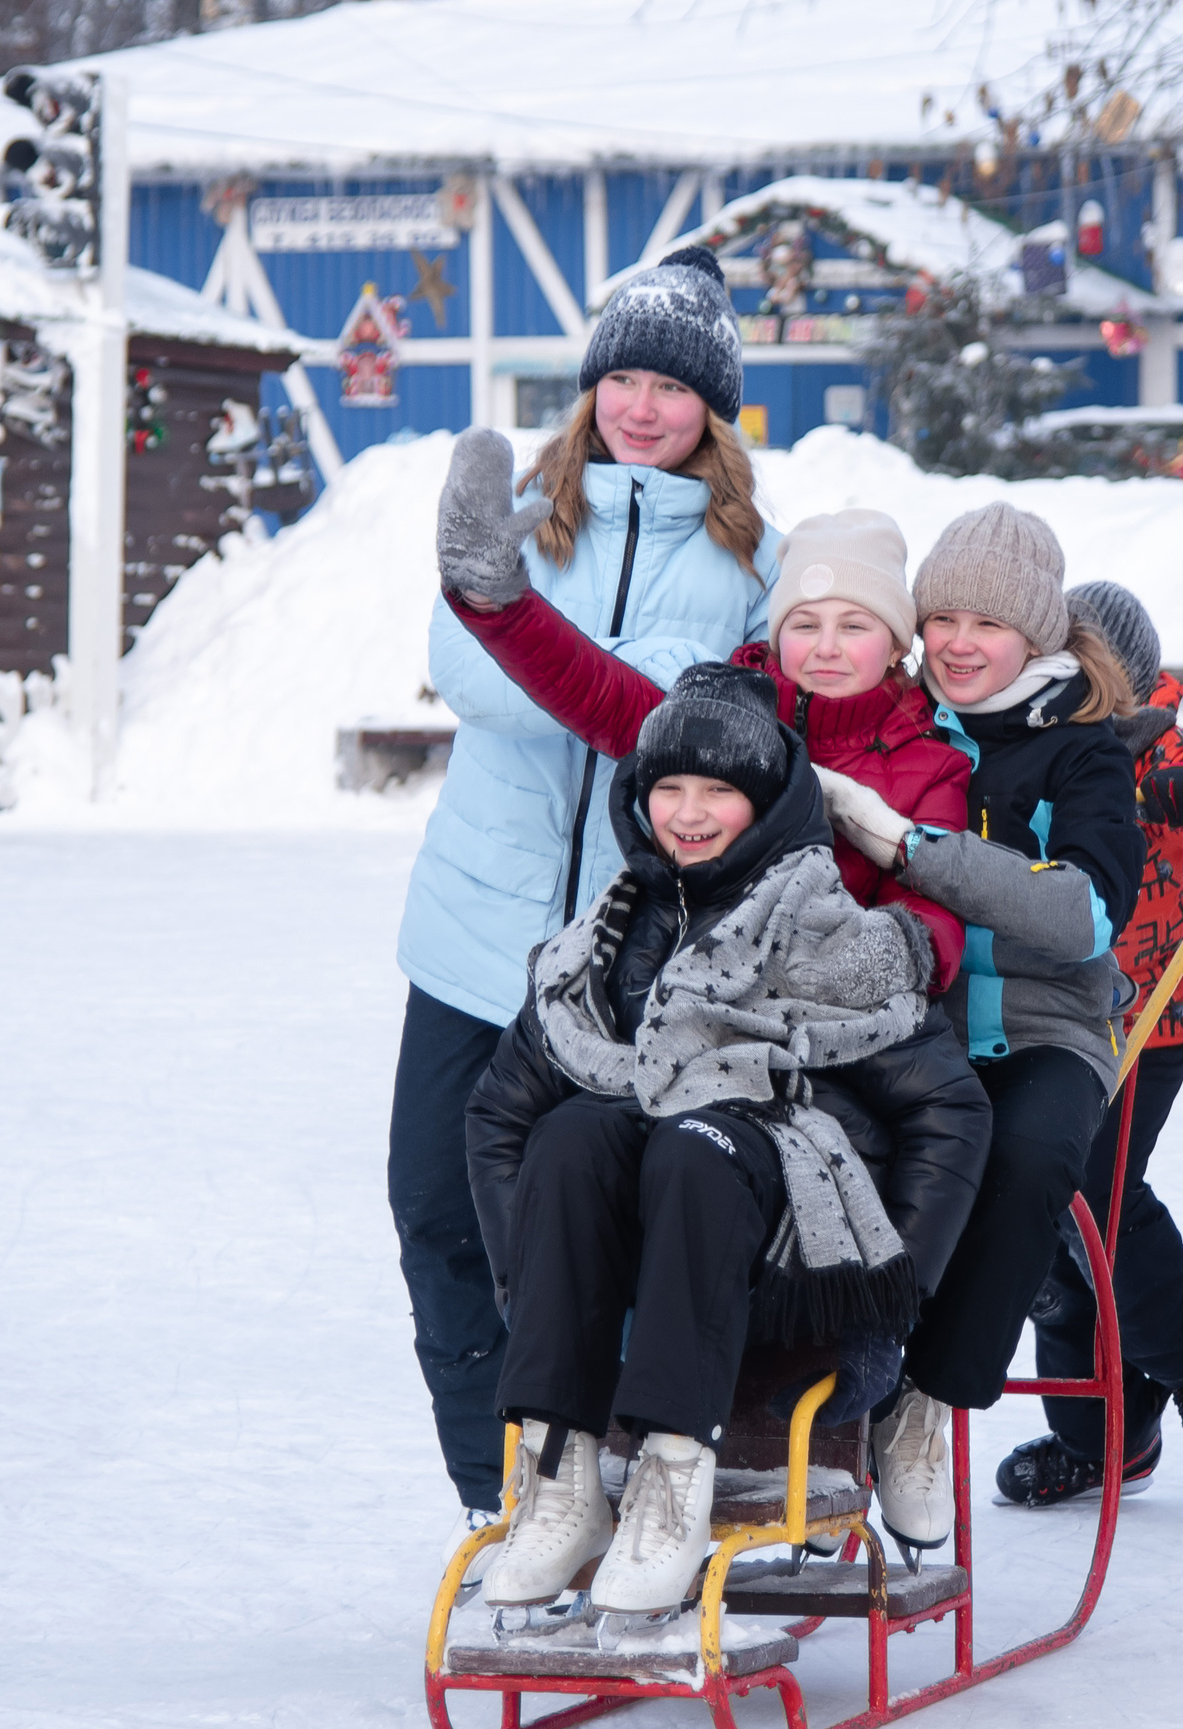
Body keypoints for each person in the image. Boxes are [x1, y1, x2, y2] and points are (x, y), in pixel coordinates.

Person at [397, 243, 782, 1564]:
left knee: (584, 1234)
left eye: (671, 387)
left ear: (712, 409)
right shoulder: (520, 512)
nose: (641, 406)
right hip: (473, 930)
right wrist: (595, 670)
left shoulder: (750, 560)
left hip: (632, 957)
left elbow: (669, 729)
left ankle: (598, 1482)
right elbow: (467, 672)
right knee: (435, 1210)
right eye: (621, 379)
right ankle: (495, 1492)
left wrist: (540, 641)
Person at [462, 668, 991, 1614]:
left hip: (779, 1258)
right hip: (629, 1261)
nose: (690, 813)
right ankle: (562, 1480)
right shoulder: (604, 944)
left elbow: (951, 1110)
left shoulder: (833, 939)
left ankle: (673, 1479)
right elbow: (499, 1114)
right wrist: (527, 1281)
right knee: (572, 1135)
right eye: (669, 787)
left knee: (697, 1139)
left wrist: (890, 1294)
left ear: (771, 800)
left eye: (719, 790)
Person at [811, 505, 1145, 1563]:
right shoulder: (903, 723)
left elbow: (1080, 914)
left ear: (1035, 635)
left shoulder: (1079, 752)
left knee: (1026, 1153)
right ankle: (825, 1408)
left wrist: (910, 845)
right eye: (942, 618)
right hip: (912, 1023)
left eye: (987, 624)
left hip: (1046, 1031)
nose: (958, 643)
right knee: (829, 1149)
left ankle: (927, 1400)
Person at [437, 500, 970, 991]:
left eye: (854, 626)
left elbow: (935, 909)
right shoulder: (724, 709)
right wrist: (500, 606)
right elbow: (596, 690)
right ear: (777, 636)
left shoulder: (931, 765)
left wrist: (887, 954)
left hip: (831, 1021)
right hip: (684, 996)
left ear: (896, 644)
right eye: (805, 624)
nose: (826, 648)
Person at [997, 580, 1183, 1507]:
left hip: (1151, 1017)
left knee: (1095, 1198)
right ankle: (1102, 1437)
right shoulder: (1023, 735)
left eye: (1103, 673)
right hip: (1038, 1012)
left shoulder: (1160, 749)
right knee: (1037, 1212)